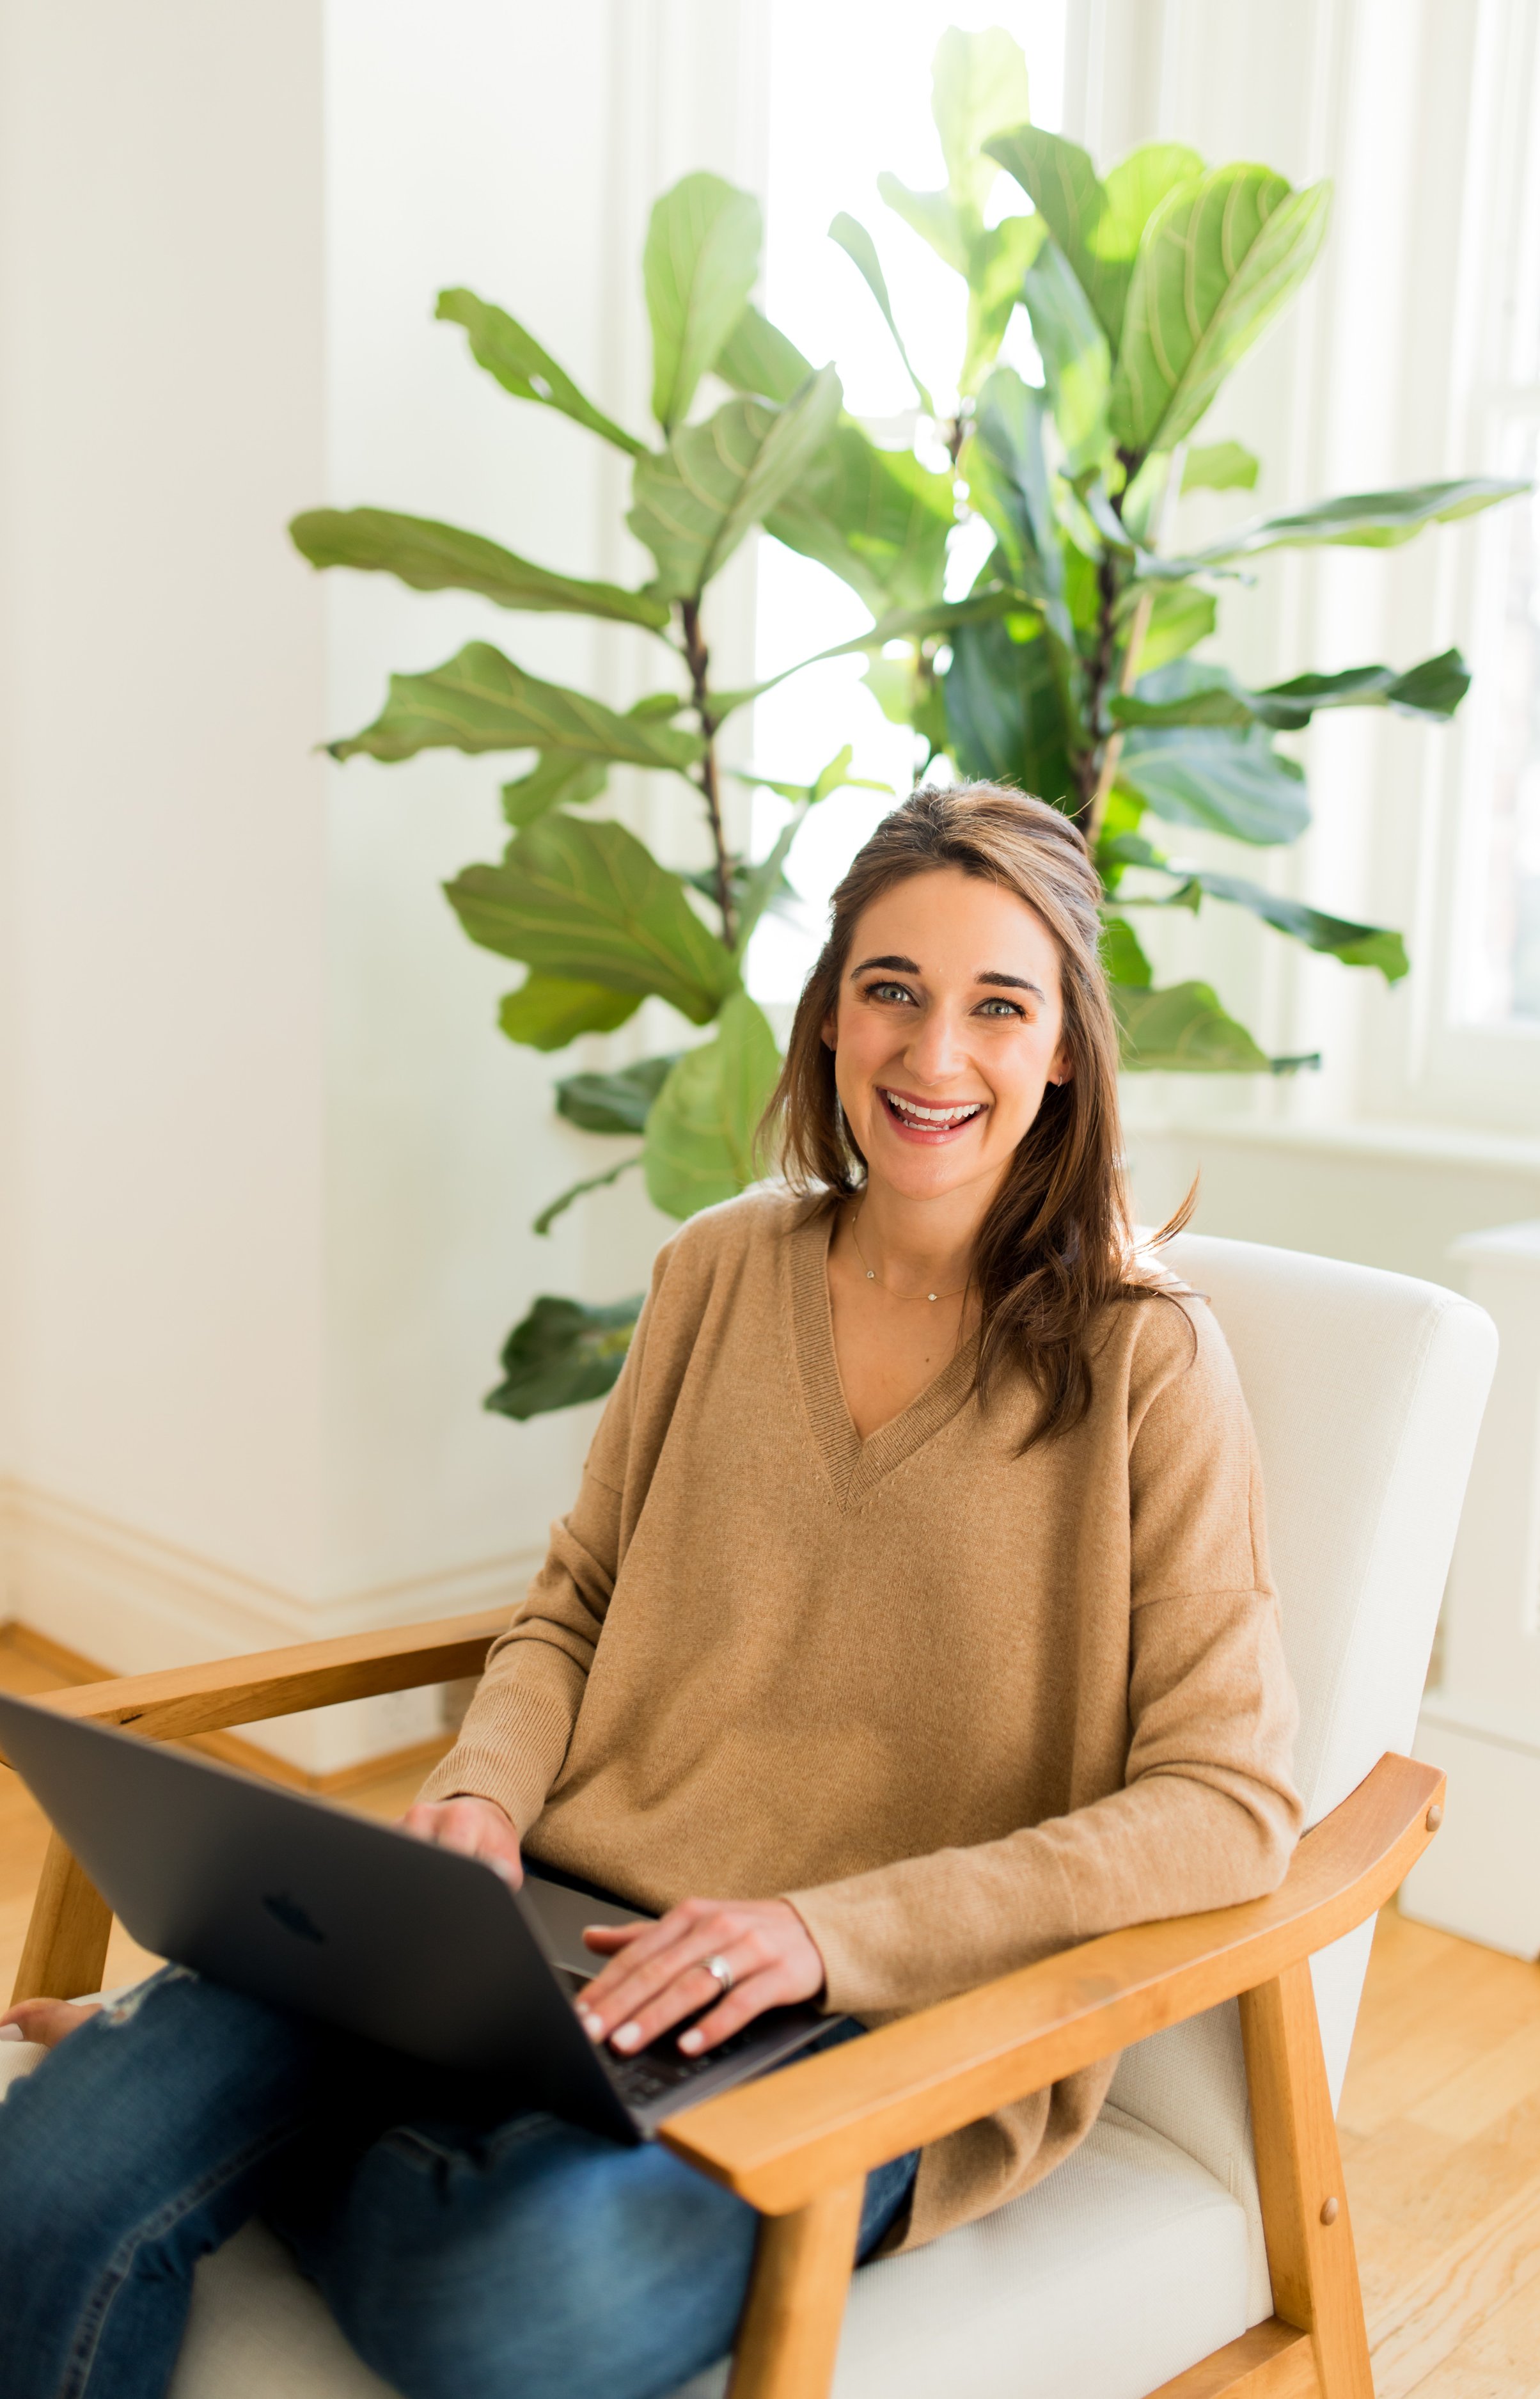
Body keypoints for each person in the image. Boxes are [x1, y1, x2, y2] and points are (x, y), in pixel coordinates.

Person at [0, 782, 1302, 2399]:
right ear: (826, 1016)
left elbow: (1228, 1801)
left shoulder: (1146, 1362)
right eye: (887, 989)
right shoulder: (715, 1272)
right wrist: (481, 1797)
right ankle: (222, 2100)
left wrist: (823, 1936)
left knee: (506, 2306)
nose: (931, 1053)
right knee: (36, 2181)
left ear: (1062, 1051)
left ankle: (245, 2131)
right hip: (526, 1936)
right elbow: (571, 1603)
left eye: (996, 1006)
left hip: (861, 2030)